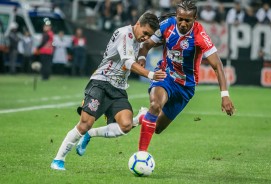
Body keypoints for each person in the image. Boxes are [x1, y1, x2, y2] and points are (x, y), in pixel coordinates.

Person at [50, 12, 166, 171]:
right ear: (137, 24)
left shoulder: (138, 38)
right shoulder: (125, 34)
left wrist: (143, 58)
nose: (146, 37)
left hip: (118, 88)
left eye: (149, 35)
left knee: (125, 125)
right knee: (84, 124)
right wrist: (151, 74)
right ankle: (58, 159)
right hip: (101, 83)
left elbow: (140, 51)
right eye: (145, 33)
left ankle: (91, 134)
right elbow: (128, 61)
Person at [133, 0, 235, 152]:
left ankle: (144, 117)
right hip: (165, 74)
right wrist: (141, 59)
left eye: (187, 20)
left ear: (195, 19)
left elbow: (217, 65)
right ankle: (141, 155)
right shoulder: (167, 25)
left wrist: (225, 95)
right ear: (177, 16)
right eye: (180, 19)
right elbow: (146, 44)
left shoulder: (199, 35)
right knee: (155, 105)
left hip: (185, 87)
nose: (182, 23)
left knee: (158, 128)